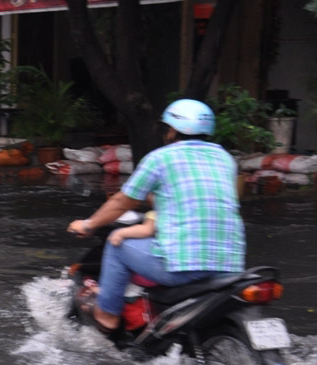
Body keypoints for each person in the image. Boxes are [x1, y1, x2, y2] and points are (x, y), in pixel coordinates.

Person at [67, 98, 245, 334]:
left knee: (116, 245)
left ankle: (107, 314)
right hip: (230, 266)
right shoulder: (225, 159)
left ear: (171, 131)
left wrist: (88, 224)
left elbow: (122, 201)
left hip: (184, 266)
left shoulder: (160, 158)